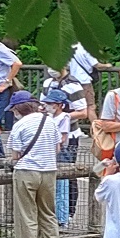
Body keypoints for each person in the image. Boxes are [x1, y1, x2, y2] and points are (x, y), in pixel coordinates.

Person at [7, 88, 71, 238]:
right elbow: (58, 147)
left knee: (26, 213)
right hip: (49, 171)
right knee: (48, 212)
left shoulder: (19, 125)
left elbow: (15, 154)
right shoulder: (49, 122)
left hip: (26, 171)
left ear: (18, 109)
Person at [43, 49, 97, 227]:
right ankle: (54, 211)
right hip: (49, 134)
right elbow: (42, 104)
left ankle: (69, 211)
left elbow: (82, 111)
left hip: (69, 134)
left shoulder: (73, 85)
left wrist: (63, 116)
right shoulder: (48, 83)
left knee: (68, 173)